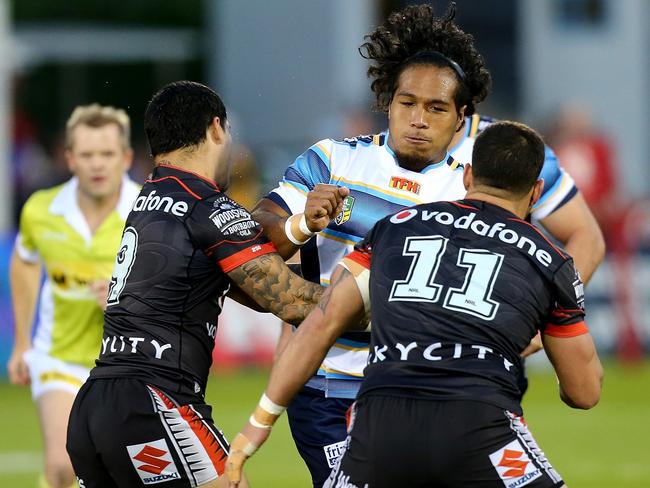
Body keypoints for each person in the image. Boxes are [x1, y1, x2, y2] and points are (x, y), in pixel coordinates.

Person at [251, 4, 604, 485]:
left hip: (446, 392)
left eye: (435, 106)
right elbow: (256, 233)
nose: (418, 118)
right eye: (406, 102)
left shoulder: (489, 172)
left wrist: (544, 326)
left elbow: (581, 239)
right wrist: (299, 223)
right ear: (388, 100)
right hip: (333, 388)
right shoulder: (333, 161)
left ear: (462, 114)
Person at [66, 81, 338, 488]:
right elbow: (293, 302)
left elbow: (258, 294)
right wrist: (387, 298)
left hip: (94, 406)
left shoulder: (150, 200)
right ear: (216, 129)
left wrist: (299, 227)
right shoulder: (206, 205)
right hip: (154, 402)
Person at [7, 104, 140, 488]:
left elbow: (171, 285)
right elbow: (25, 263)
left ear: (126, 158)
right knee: (64, 465)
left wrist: (121, 297)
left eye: (107, 154)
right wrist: (21, 344)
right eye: (86, 154)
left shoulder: (146, 212)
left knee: (120, 470)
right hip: (59, 356)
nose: (97, 164)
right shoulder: (41, 210)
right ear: (69, 158)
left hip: (125, 362)